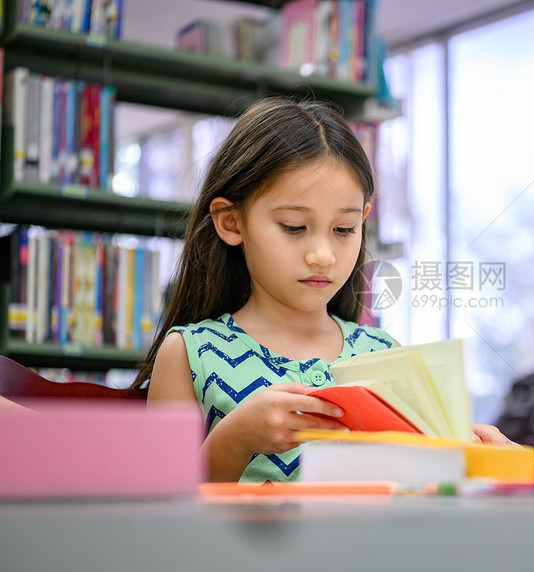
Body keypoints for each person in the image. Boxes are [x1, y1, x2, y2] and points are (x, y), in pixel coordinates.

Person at [135, 97, 513, 483]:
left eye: (344, 229)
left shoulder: (382, 353)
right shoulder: (190, 352)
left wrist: (480, 462)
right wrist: (236, 438)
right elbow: (162, 514)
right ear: (231, 222)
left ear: (364, 221)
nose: (322, 255)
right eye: (294, 227)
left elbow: (418, 496)